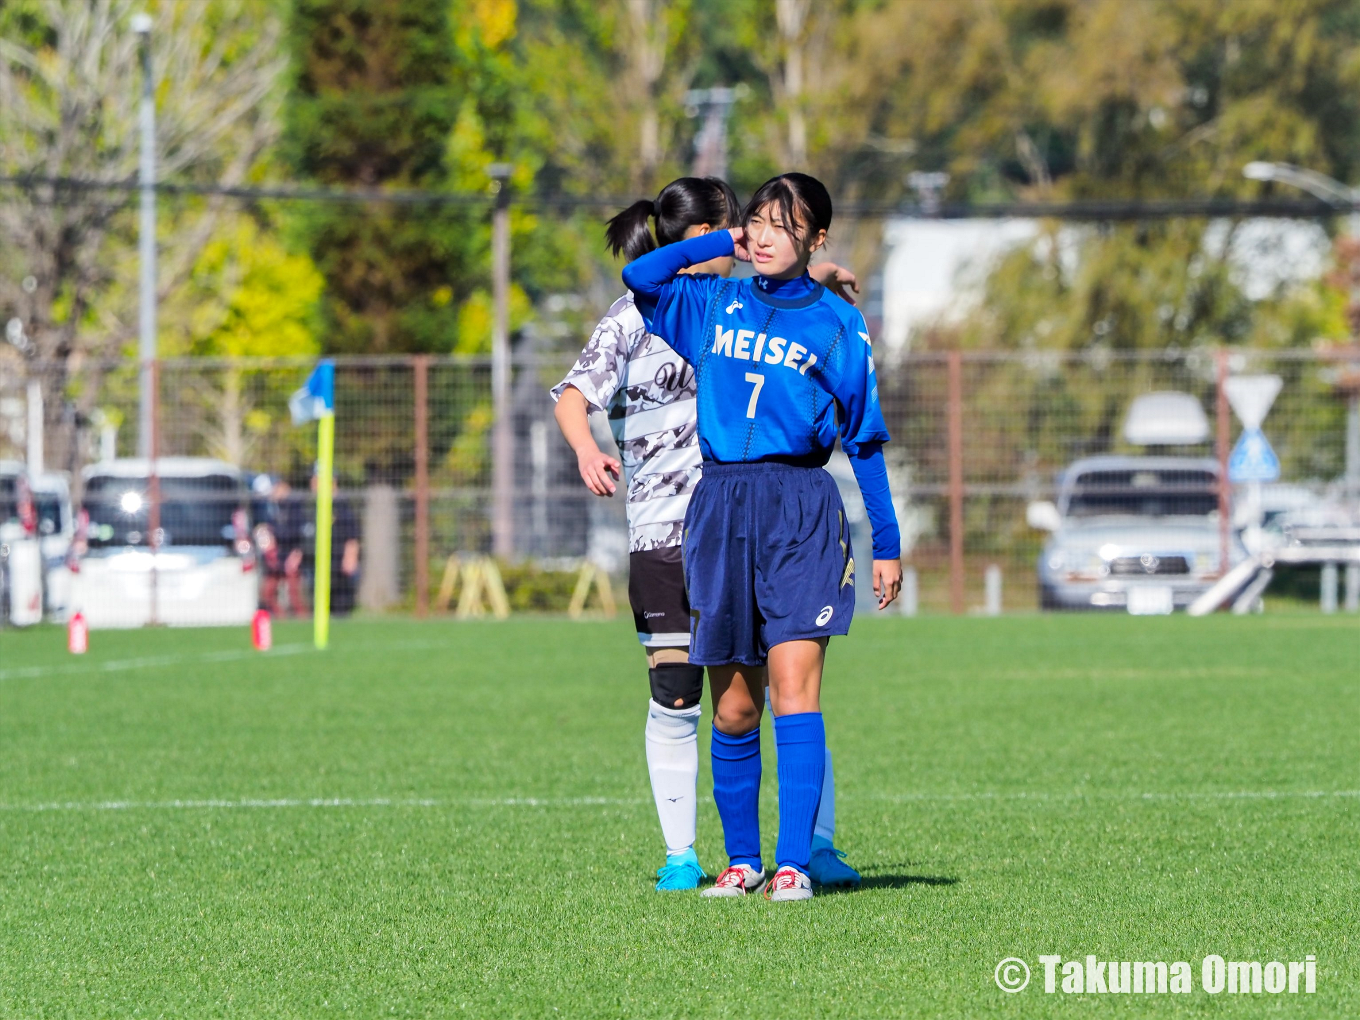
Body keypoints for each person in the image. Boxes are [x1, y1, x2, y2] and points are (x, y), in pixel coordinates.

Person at [552, 176, 865, 893]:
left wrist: (821, 272)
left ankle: (811, 847)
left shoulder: (747, 304)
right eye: (743, 225)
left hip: (751, 522)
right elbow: (575, 394)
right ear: (710, 237)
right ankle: (682, 853)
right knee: (680, 689)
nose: (755, 237)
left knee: (790, 686)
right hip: (667, 529)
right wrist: (586, 448)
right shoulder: (639, 313)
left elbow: (791, 297)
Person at [622, 172, 902, 901]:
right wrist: (724, 240)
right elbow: (639, 272)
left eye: (786, 223)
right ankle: (740, 862)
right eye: (759, 221)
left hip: (801, 507)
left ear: (816, 237)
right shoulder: (713, 300)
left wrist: (889, 543)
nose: (768, 234)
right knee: (735, 706)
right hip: (720, 506)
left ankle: (793, 865)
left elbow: (865, 444)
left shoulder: (839, 325)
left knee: (793, 690)